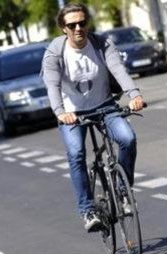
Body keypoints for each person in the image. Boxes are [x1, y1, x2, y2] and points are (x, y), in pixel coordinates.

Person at [41, 3, 145, 231]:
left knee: (127, 139)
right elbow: (52, 85)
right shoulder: (54, 53)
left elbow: (118, 69)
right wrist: (61, 113)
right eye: (72, 25)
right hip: (72, 113)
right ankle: (87, 210)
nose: (78, 28)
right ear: (63, 29)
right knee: (76, 153)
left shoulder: (101, 43)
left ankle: (123, 192)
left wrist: (134, 94)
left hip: (105, 105)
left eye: (82, 23)